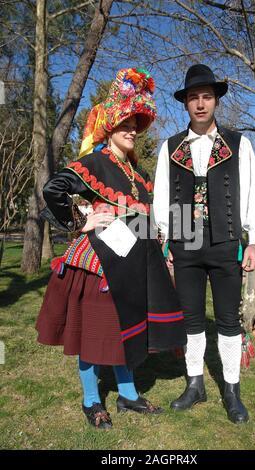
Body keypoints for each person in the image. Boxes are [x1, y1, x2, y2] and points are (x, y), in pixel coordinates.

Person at [36, 68, 186, 430]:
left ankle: (128, 393)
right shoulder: (94, 162)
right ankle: (91, 399)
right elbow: (53, 189)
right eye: (124, 124)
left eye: (136, 124)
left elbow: (149, 218)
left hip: (135, 264)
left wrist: (165, 248)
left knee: (126, 329)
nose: (132, 130)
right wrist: (79, 221)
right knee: (95, 331)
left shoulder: (138, 174)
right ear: (108, 127)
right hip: (100, 263)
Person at [153, 64, 255, 423]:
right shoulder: (171, 147)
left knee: (229, 320)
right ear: (185, 103)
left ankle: (231, 390)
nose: (200, 104)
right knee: (191, 320)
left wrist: (254, 241)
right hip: (184, 243)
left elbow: (251, 194)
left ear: (215, 101)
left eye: (206, 97)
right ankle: (196, 384)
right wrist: (166, 242)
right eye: (193, 98)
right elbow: (160, 199)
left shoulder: (238, 143)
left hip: (225, 242)